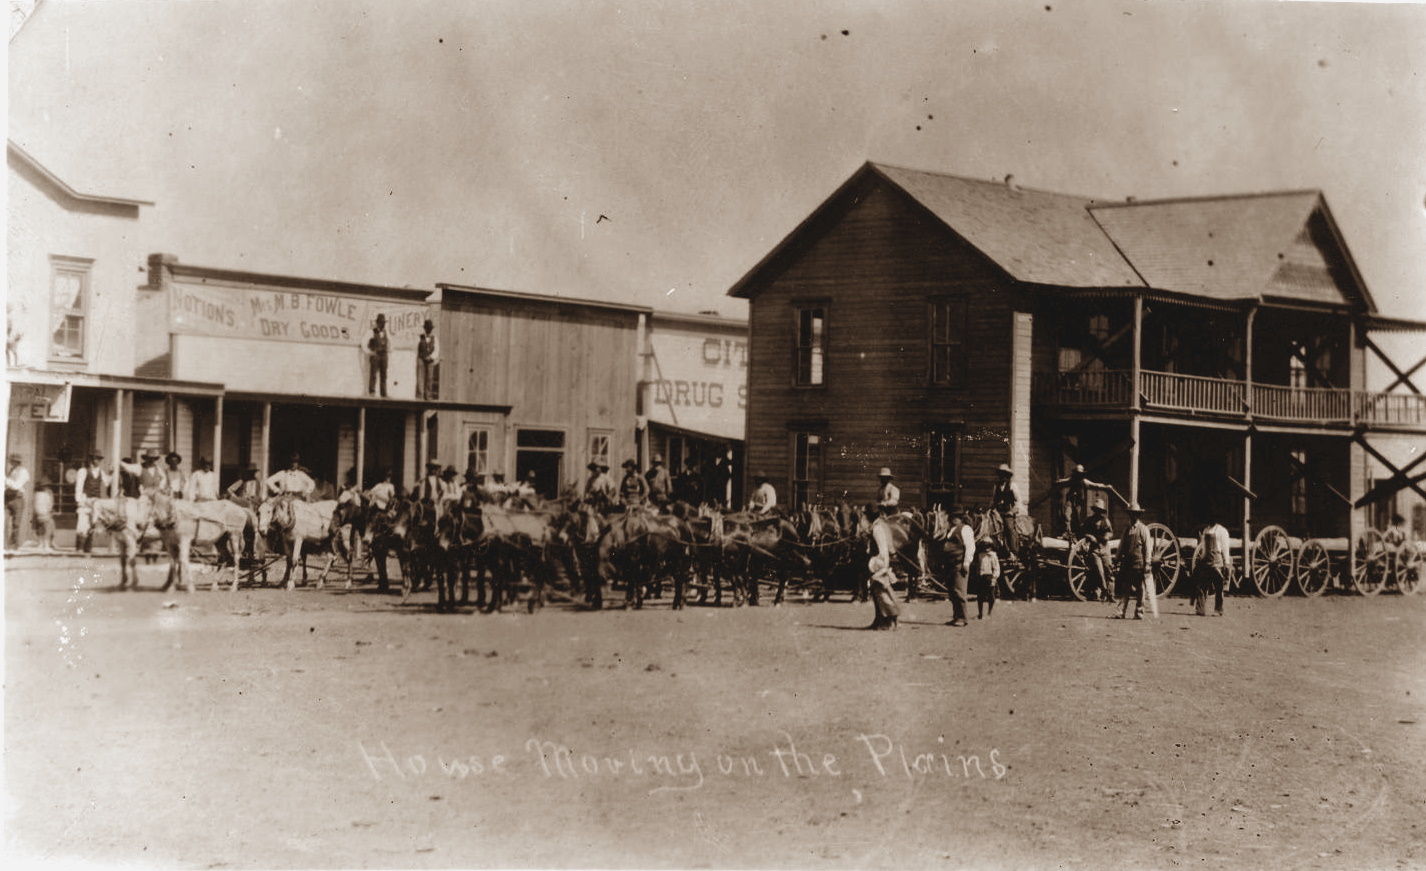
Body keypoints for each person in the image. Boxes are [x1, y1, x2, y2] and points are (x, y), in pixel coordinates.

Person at [1054, 464, 1112, 538]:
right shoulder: (1071, 479)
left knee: (1078, 518)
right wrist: (1057, 482)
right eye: (1077, 473)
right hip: (1070, 500)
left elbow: (1095, 485)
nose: (1078, 476)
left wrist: (1105, 486)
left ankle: (1078, 533)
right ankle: (1067, 532)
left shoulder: (1084, 481)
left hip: (1078, 502)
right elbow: (1063, 481)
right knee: (1067, 515)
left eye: (1080, 474)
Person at [1115, 503, 1152, 620]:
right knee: (1125, 588)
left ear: (1138, 515)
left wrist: (1147, 563)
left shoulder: (1143, 529)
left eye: (1135, 514)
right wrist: (1117, 559)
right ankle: (1121, 612)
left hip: (1139, 564)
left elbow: (1148, 548)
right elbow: (1121, 546)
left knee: (1140, 589)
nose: (1132, 517)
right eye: (1131, 514)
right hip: (1127, 564)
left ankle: (1139, 612)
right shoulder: (1126, 530)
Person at [942, 506, 975, 626]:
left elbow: (970, 547)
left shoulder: (965, 529)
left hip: (959, 564)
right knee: (952, 592)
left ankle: (963, 618)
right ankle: (956, 616)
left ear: (958, 518)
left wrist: (966, 563)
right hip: (950, 564)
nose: (951, 519)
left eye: (953, 517)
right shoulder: (951, 529)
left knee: (959, 591)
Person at [1193, 517, 1231, 617]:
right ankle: (1200, 609)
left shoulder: (1222, 531)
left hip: (1217, 561)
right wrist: (1201, 558)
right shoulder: (1206, 530)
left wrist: (1226, 563)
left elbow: (1225, 548)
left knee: (1218, 587)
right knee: (1201, 585)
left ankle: (1218, 610)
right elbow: (1204, 547)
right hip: (1206, 561)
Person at [75, 452, 110, 553]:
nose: (98, 461)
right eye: (96, 459)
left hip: (96, 501)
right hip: (85, 499)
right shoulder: (83, 471)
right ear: (91, 460)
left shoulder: (100, 472)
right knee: (82, 524)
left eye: (99, 459)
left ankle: (88, 548)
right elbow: (79, 486)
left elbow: (107, 483)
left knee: (92, 524)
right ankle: (79, 548)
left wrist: (111, 473)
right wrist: (79, 500)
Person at [1083, 499, 1115, 602]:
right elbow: (1083, 532)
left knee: (1109, 571)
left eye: (1100, 510)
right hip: (1095, 550)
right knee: (1099, 572)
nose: (1098, 512)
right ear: (1094, 510)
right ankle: (1104, 590)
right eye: (1096, 510)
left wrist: (1107, 536)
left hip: (1105, 549)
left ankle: (1111, 595)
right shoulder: (1089, 520)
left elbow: (1111, 533)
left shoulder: (1106, 521)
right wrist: (1090, 536)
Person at [991, 463, 1020, 554]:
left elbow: (1018, 501)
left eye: (1004, 474)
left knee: (1009, 527)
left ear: (1007, 476)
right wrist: (991, 508)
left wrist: (1013, 511)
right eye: (1000, 474)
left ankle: (1013, 550)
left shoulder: (1012, 486)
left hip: (1008, 512)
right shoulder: (996, 486)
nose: (1002, 477)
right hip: (998, 512)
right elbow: (993, 499)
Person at [5, 454, 31, 550]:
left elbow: (16, 486)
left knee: (16, 523)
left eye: (12, 460)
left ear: (16, 461)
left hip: (17, 498)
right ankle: (4, 544)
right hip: (7, 497)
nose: (10, 462)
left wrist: (5, 480)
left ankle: (13, 545)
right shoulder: (11, 470)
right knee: (4, 520)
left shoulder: (23, 472)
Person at [972, 537, 1001, 619]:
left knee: (991, 596)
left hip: (990, 576)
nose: (987, 548)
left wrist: (994, 578)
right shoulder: (980, 555)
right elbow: (978, 566)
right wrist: (978, 574)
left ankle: (989, 613)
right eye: (985, 546)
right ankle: (980, 613)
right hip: (982, 576)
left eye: (988, 546)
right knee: (980, 596)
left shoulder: (993, 555)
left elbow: (996, 568)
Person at [367, 313, 390, 397]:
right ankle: (372, 392)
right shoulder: (371, 332)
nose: (382, 324)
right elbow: (364, 343)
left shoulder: (386, 332)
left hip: (384, 355)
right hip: (376, 355)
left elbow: (391, 343)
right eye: (381, 322)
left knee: (384, 375)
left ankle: (383, 393)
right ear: (377, 323)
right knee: (373, 374)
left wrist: (388, 350)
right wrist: (370, 352)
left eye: (383, 322)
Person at [416, 318, 439, 400]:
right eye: (427, 328)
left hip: (430, 360)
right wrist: (421, 357)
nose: (428, 330)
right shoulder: (420, 337)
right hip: (421, 359)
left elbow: (436, 350)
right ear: (425, 328)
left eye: (430, 328)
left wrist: (431, 357)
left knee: (429, 378)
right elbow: (417, 348)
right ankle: (420, 396)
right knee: (420, 378)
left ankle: (428, 396)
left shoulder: (435, 338)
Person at [32, 479, 55, 552]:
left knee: (40, 527)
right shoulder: (48, 493)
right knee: (50, 526)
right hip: (45, 514)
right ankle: (47, 544)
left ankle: (40, 543)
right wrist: (50, 512)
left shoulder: (36, 494)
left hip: (37, 514)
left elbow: (34, 505)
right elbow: (50, 505)